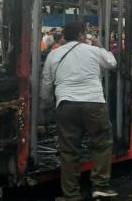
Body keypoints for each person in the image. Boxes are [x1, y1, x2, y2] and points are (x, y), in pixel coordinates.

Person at [40, 21, 118, 200]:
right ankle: (100, 186)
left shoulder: (54, 55)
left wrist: (48, 104)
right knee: (102, 144)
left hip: (66, 104)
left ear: (64, 36)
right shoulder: (93, 50)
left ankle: (71, 195)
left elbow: (46, 84)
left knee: (69, 151)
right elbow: (112, 63)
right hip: (94, 103)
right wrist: (100, 45)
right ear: (82, 34)